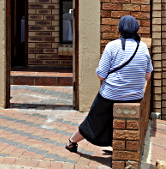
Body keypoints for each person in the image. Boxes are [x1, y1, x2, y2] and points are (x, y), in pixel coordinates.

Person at [65, 15, 153, 153]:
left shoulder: (112, 46)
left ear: (119, 30)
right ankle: (116, 144)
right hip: (135, 96)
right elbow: (147, 77)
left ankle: (71, 142)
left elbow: (101, 75)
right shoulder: (143, 47)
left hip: (111, 94)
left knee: (93, 120)